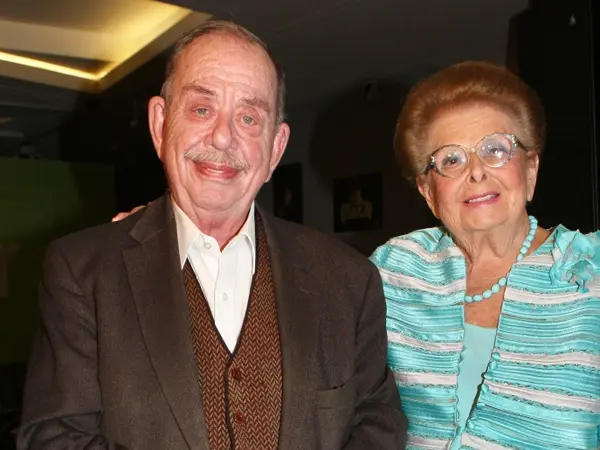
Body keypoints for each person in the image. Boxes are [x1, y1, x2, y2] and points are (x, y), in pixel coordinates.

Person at [17, 20, 406, 450]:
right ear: (160, 124)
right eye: (202, 109)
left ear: (276, 148)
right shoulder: (82, 272)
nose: (223, 137)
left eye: (248, 118)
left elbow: (378, 422)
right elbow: (55, 437)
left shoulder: (349, 279)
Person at [370, 61, 600, 449]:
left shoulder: (590, 271)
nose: (476, 172)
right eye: (451, 159)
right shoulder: (396, 271)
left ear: (530, 169)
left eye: (495, 149)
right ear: (429, 193)